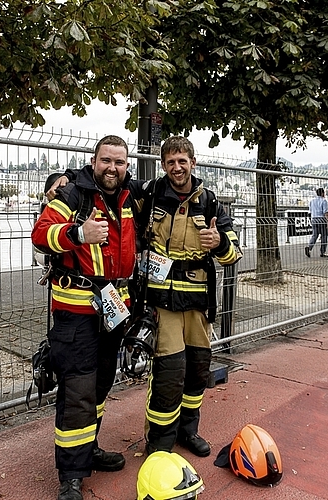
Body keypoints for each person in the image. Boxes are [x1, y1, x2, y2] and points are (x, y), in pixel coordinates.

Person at [32, 135, 138, 500]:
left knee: (101, 386)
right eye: (106, 160)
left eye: (119, 162)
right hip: (75, 312)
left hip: (114, 310)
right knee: (77, 392)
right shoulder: (74, 194)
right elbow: (41, 234)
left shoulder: (129, 196)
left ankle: (88, 449)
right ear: (94, 162)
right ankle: (72, 476)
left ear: (127, 166)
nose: (112, 168)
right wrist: (78, 233)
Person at [140, 136, 243, 458]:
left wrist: (219, 244)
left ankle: (189, 431)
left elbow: (234, 255)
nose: (177, 167)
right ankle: (159, 441)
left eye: (182, 161)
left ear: (193, 163)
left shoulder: (210, 202)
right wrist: (65, 180)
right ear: (163, 165)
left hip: (198, 303)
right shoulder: (151, 194)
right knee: (170, 373)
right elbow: (111, 185)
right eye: (170, 162)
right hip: (164, 302)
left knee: (198, 370)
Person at [305, 187, 328, 258]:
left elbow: (309, 212)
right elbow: (325, 212)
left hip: (314, 219)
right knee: (324, 236)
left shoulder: (312, 201)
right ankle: (322, 252)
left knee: (315, 235)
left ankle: (309, 248)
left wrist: (311, 220)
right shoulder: (324, 201)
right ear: (322, 193)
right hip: (321, 219)